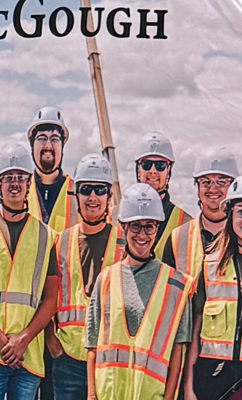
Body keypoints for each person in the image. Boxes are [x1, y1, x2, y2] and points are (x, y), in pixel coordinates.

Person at [0, 142, 61, 400]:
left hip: (28, 353)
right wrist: (1, 341)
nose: (14, 183)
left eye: (20, 177)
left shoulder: (46, 237)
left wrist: (23, 340)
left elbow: (50, 298)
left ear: (29, 183)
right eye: (8, 178)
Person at [87, 183, 195, 400]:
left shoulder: (175, 286)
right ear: (123, 227)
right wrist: (91, 395)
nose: (142, 234)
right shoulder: (105, 280)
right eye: (135, 226)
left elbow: (177, 352)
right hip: (109, 394)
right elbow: (92, 344)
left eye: (149, 226)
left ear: (157, 228)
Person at [42, 153, 124, 400]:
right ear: (76, 194)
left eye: (100, 190)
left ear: (109, 195)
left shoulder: (123, 243)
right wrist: (52, 344)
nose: (92, 197)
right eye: (86, 189)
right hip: (68, 360)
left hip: (109, 361)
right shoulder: (60, 242)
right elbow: (46, 297)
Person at [187, 179, 242, 399]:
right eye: (241, 211)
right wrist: (188, 387)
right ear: (230, 215)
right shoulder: (210, 265)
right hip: (212, 380)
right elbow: (195, 328)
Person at [134, 133, 193, 261]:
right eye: (146, 164)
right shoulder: (115, 218)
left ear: (168, 171)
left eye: (160, 165)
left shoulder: (186, 223)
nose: (153, 171)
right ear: (138, 170)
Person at [28, 106, 79, 231]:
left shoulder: (79, 193)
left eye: (55, 139)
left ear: (62, 146)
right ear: (32, 145)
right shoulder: (21, 189)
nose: (48, 146)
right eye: (42, 139)